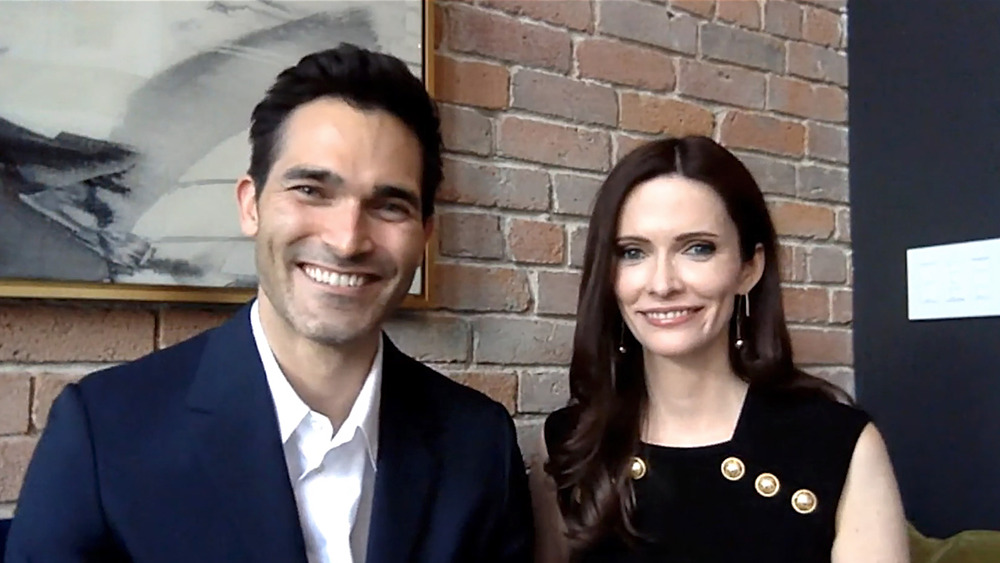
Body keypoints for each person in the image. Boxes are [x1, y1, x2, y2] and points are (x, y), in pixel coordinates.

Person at [6, 43, 533, 563]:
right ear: (250, 206)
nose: (348, 240)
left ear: (424, 235)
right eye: (310, 190)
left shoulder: (480, 444)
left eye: (389, 205)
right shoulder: (104, 433)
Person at [530, 136, 908, 563]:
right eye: (633, 252)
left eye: (698, 248)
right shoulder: (569, 445)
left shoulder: (839, 443)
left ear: (749, 268)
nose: (662, 283)